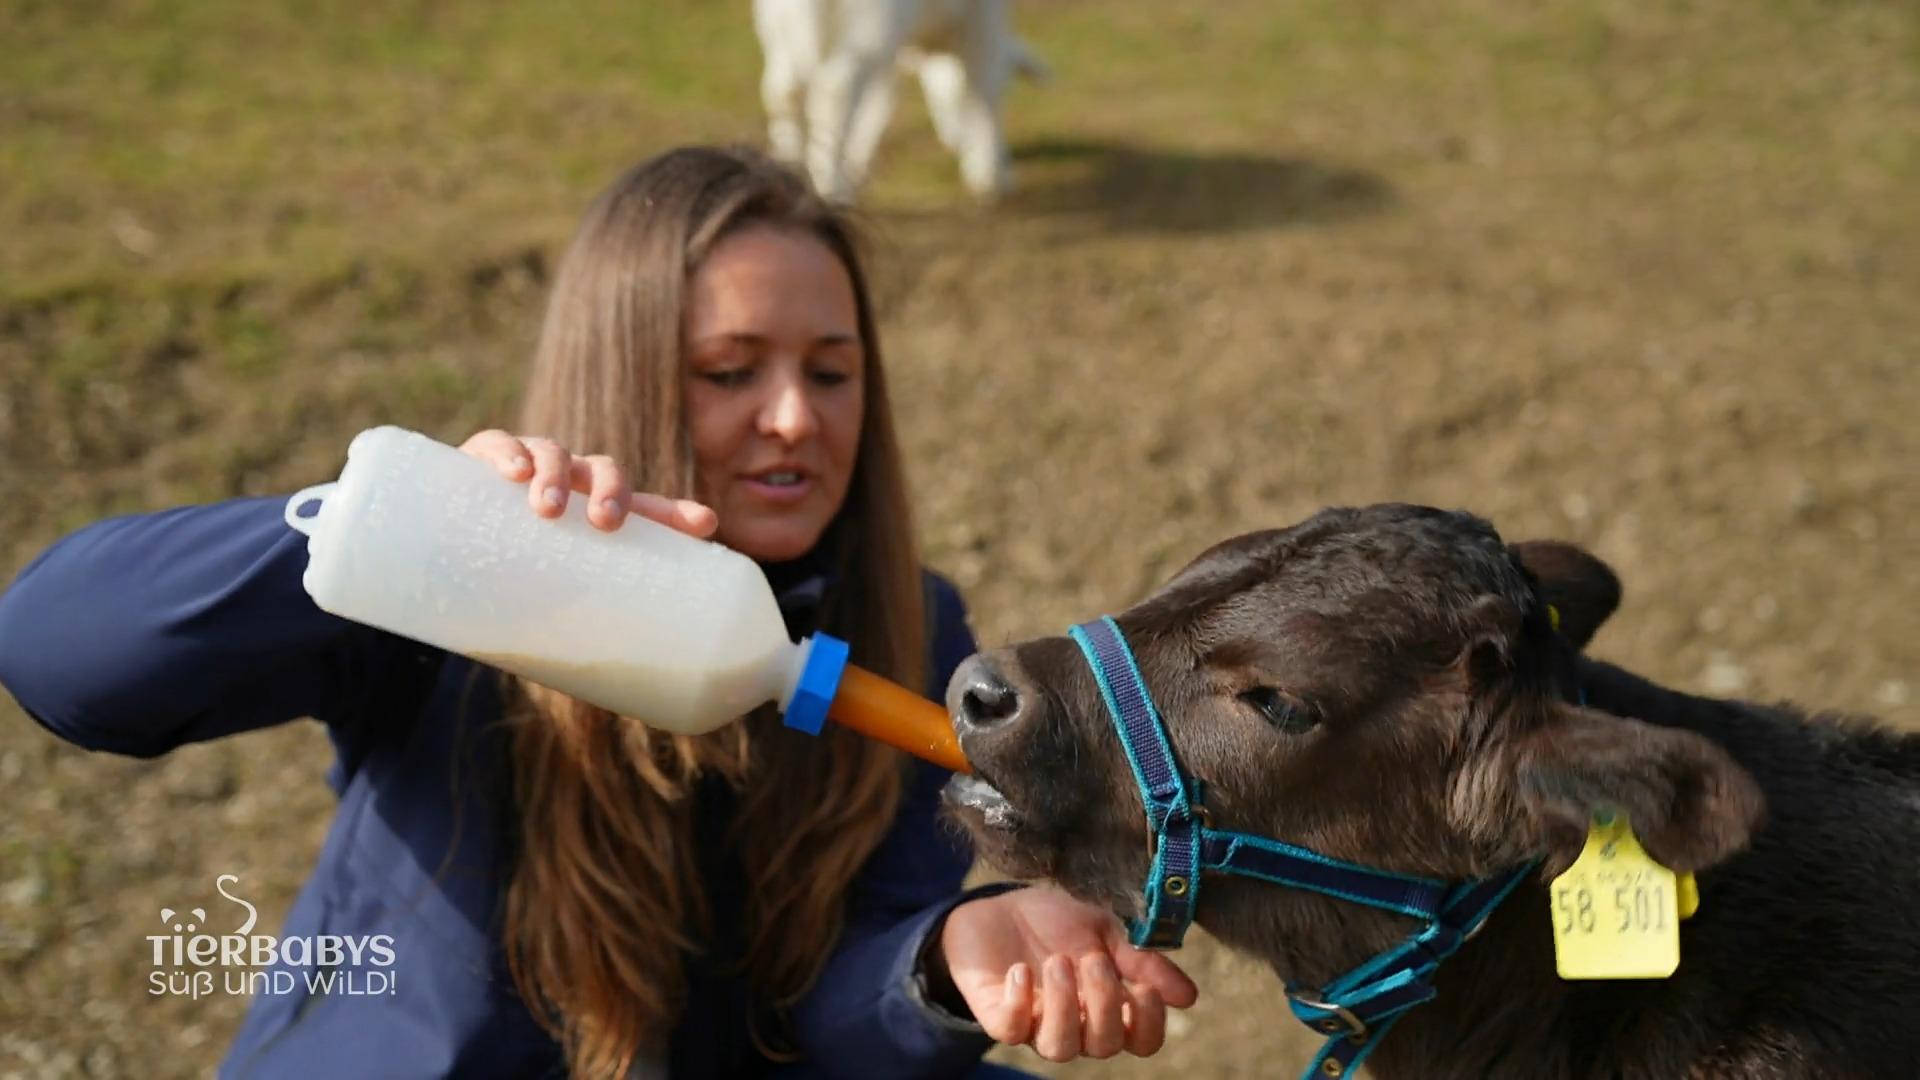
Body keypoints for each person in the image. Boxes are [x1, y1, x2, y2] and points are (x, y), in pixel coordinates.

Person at [0, 145, 1196, 1078]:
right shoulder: (466, 591)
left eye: (831, 372)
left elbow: (825, 1014)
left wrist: (935, 968)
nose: (795, 418)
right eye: (731, 372)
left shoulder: (911, 624)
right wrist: (384, 532)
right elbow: (63, 655)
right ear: (622, 372)